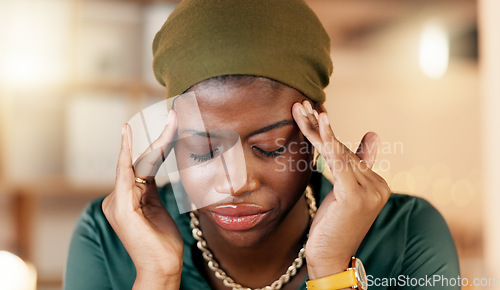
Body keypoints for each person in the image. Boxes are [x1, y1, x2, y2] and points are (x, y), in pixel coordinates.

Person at [64, 1, 460, 289]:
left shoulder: (406, 233)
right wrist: (156, 275)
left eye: (270, 147)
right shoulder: (106, 239)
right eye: (203, 150)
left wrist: (333, 271)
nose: (236, 184)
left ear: (315, 134)